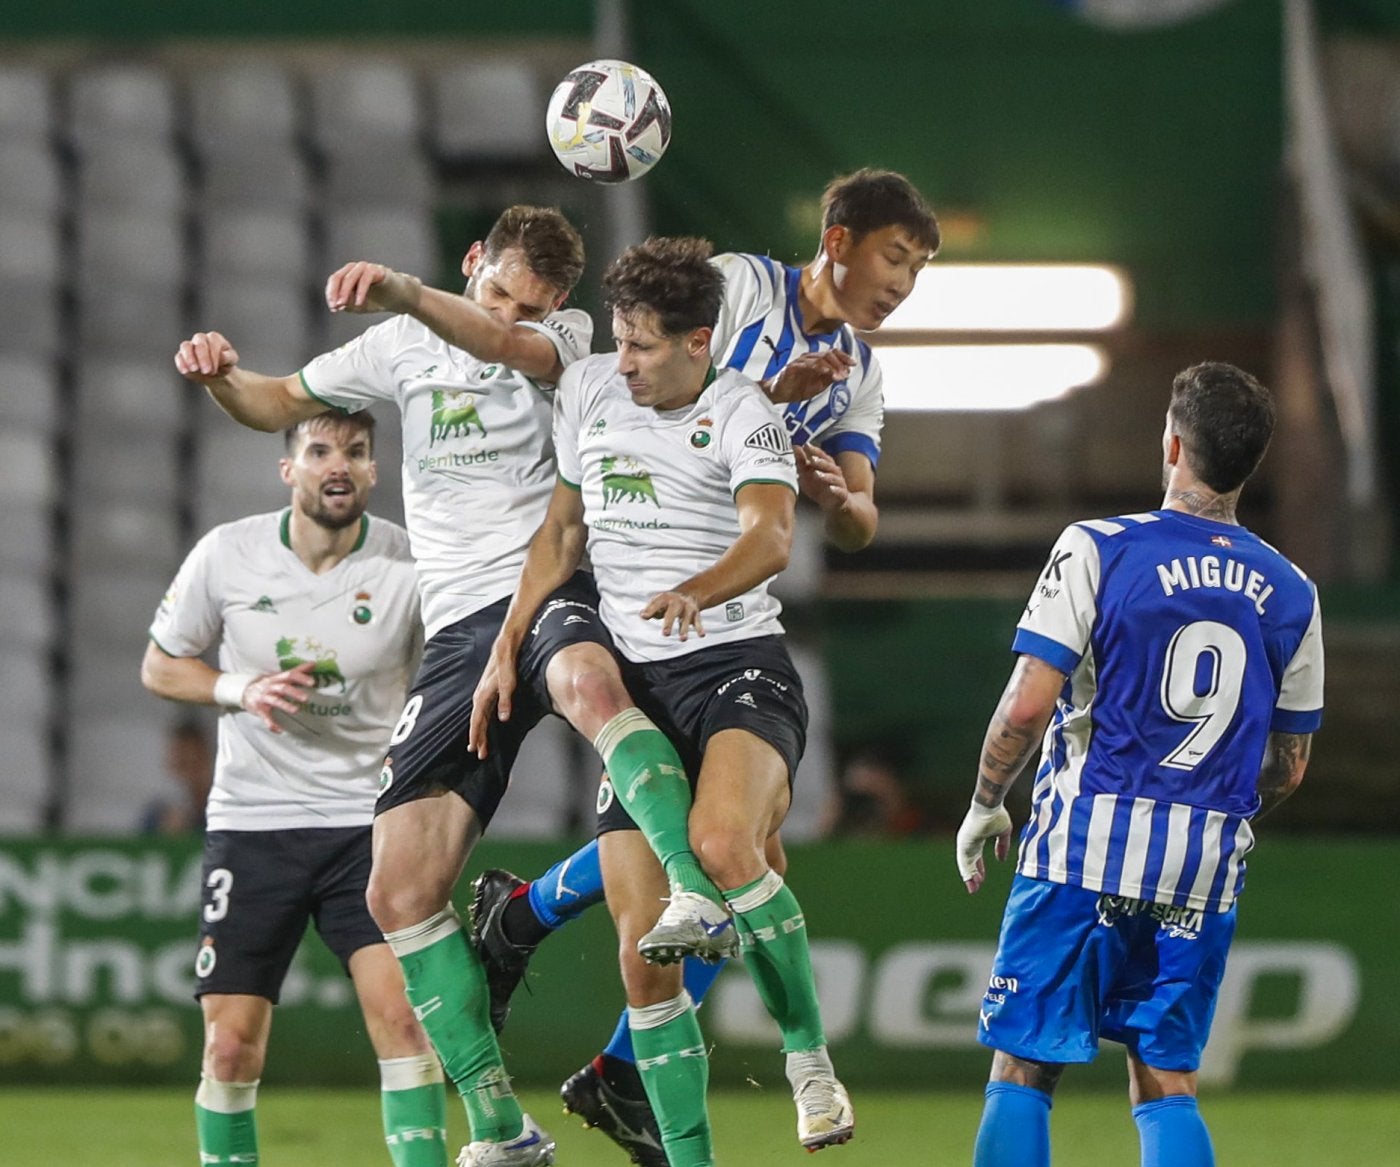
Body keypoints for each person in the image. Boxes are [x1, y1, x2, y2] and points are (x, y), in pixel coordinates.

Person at [176, 205, 724, 1167]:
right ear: (476, 260)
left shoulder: (560, 334)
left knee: (595, 691)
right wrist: (221, 375)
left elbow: (502, 342)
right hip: (461, 629)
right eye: (501, 286)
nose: (518, 310)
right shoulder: (396, 347)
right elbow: (275, 403)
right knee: (399, 889)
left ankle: (694, 892)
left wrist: (404, 290)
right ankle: (501, 1125)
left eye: (535, 302)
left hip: (556, 583)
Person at [463, 168, 939, 1164]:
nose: (901, 283)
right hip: (631, 625)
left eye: (917, 269)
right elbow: (574, 512)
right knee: (662, 948)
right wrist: (503, 643)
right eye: (895, 256)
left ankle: (802, 1067)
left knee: (731, 856)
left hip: (729, 642)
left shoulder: (848, 376)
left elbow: (841, 520)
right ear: (840, 240)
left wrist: (829, 492)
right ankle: (604, 1047)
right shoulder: (729, 295)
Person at [954, 362, 1323, 1167]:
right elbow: (1288, 766)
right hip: (1204, 861)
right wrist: (1209, 807)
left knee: (1024, 1063)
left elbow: (1026, 704)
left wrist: (988, 798)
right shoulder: (1294, 590)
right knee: (1166, 1075)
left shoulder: (1100, 546)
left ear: (1173, 442)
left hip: (1086, 841)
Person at [141, 410, 448, 1167]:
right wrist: (241, 687)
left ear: (374, 472)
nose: (336, 464)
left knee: (407, 1026)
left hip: (367, 830)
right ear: (290, 470)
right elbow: (160, 664)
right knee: (232, 1045)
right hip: (255, 823)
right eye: (318, 450)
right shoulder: (229, 553)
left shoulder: (409, 564)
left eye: (354, 451)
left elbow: (451, 673)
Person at [138, 716, 214, 835]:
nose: (189, 775)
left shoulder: (224, 811)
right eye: (182, 764)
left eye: (195, 764)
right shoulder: (154, 815)